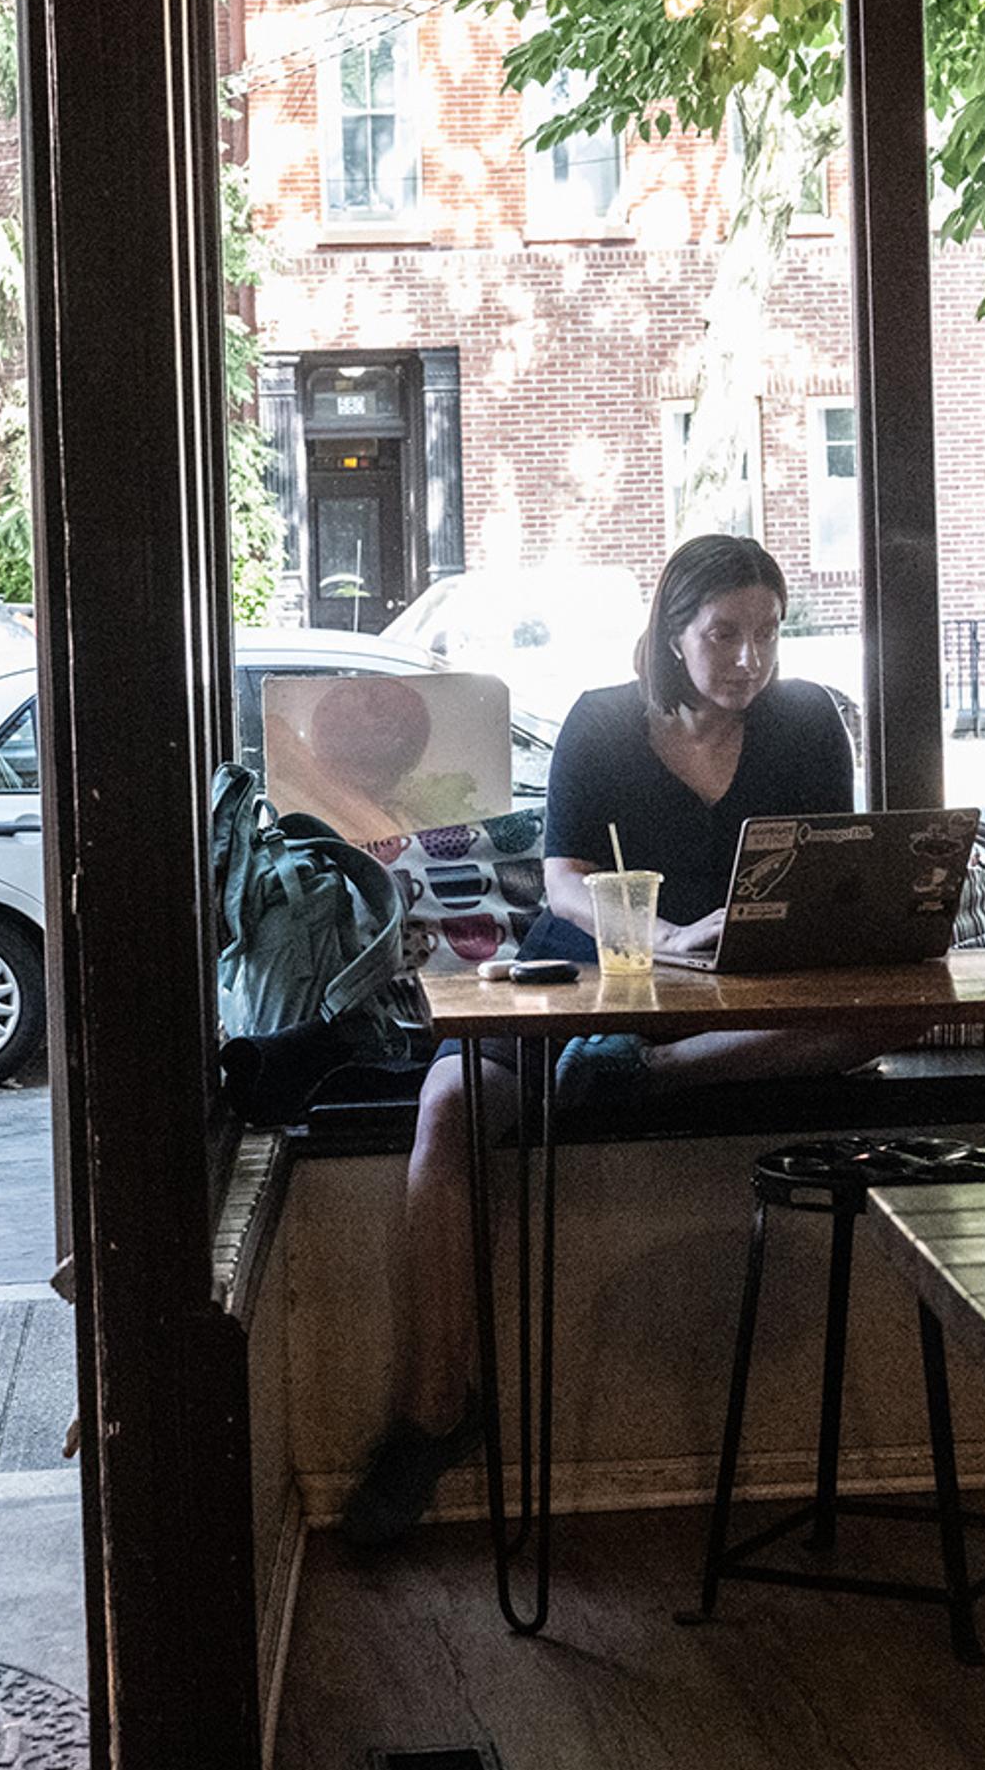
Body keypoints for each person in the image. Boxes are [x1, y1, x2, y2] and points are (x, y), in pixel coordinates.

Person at [342, 532, 908, 1547]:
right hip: (592, 972)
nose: (749, 658)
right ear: (672, 632)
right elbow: (561, 878)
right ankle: (432, 1412)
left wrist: (767, 938)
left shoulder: (809, 721)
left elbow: (842, 865)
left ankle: (642, 1073)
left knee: (879, 1021)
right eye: (722, 634)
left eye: (767, 633)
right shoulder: (605, 721)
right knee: (447, 1106)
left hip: (732, 998)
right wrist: (663, 937)